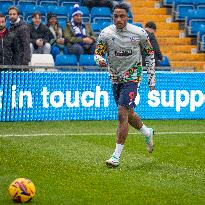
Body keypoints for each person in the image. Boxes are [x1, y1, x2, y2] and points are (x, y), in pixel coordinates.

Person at [94, 3, 155, 167]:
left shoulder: (139, 33)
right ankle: (147, 131)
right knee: (129, 113)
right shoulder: (106, 34)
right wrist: (99, 59)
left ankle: (116, 156)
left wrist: (151, 78)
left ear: (128, 17)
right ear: (112, 17)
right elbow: (98, 52)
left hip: (133, 77)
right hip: (115, 77)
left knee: (122, 113)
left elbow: (149, 53)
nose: (119, 19)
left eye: (122, 16)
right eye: (116, 16)